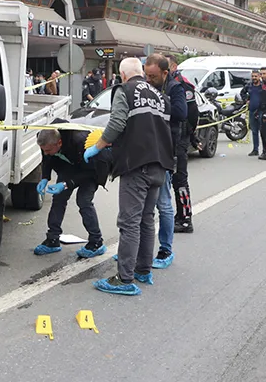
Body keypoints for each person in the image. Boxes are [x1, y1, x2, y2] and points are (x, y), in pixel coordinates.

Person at [84, 57, 174, 296]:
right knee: (146, 220)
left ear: (123, 75)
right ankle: (143, 270)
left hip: (137, 166)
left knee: (129, 222)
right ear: (141, 73)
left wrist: (98, 146)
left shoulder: (125, 91)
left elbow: (116, 124)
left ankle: (124, 279)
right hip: (160, 166)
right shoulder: (160, 97)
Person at [34, 123, 106, 257]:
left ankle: (96, 242)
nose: (45, 152)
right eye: (43, 149)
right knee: (59, 199)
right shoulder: (47, 138)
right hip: (68, 166)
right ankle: (53, 239)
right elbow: (47, 158)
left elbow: (91, 172)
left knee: (83, 201)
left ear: (59, 143)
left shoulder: (80, 142)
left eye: (48, 150)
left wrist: (67, 184)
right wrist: (45, 177)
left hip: (90, 170)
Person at [145, 54, 186, 268]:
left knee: (163, 203)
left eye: (153, 76)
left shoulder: (176, 88)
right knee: (142, 206)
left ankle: (165, 249)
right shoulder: (145, 86)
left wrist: (157, 102)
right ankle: (138, 249)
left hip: (165, 152)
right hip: (144, 151)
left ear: (165, 73)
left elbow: (181, 113)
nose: (149, 80)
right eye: (146, 75)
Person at [166, 54, 199, 233]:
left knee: (180, 180)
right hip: (170, 137)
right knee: (171, 179)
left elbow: (192, 113)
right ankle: (178, 215)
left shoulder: (182, 85)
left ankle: (186, 218)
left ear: (174, 66)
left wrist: (190, 136)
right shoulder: (165, 84)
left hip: (181, 137)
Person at [239, 70, 263, 157]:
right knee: (254, 131)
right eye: (252, 76)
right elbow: (242, 93)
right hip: (252, 111)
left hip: (261, 111)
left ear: (259, 76)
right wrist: (246, 100)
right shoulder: (249, 85)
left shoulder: (263, 86)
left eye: (255, 76)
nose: (254, 78)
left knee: (263, 131)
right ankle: (255, 149)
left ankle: (265, 150)